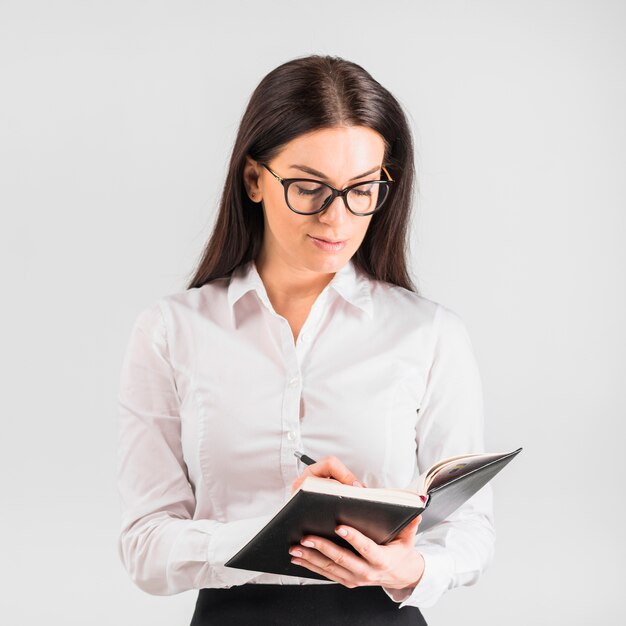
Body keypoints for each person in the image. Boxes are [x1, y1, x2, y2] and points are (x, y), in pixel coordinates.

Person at [117, 54, 495, 626]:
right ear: (253, 179)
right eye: (308, 187)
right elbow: (144, 546)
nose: (336, 218)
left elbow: (471, 532)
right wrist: (279, 533)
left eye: (362, 189)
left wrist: (406, 569)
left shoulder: (430, 333)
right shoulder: (172, 331)